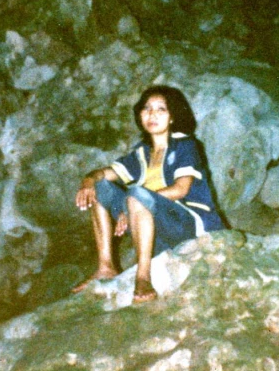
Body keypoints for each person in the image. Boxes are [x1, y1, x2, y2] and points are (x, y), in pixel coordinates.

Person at [73, 85, 224, 303]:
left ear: (172, 116)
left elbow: (181, 189)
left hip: (187, 225)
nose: (152, 114)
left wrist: (135, 201)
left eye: (161, 109)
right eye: (147, 109)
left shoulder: (185, 145)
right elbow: (107, 174)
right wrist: (88, 180)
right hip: (154, 230)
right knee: (100, 187)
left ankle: (143, 276)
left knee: (135, 193)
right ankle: (106, 267)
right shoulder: (141, 152)